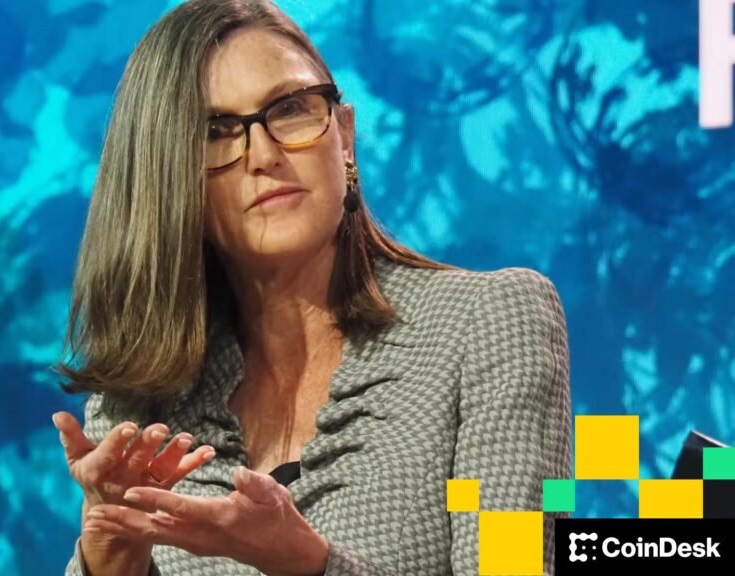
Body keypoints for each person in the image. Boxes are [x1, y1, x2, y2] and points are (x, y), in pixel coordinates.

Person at [50, 1, 572, 574]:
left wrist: (307, 563)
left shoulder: (492, 323)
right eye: (216, 131)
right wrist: (111, 557)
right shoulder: (136, 400)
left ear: (344, 135)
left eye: (290, 109)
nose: (264, 155)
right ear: (166, 178)